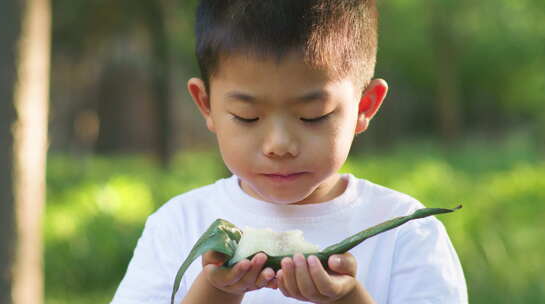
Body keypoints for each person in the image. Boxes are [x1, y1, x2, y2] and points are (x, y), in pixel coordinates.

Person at [111, 0, 468, 303]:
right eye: (247, 117)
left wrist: (349, 299)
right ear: (207, 106)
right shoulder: (177, 226)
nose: (279, 145)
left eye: (313, 116)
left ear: (365, 106)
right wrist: (214, 293)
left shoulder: (407, 234)